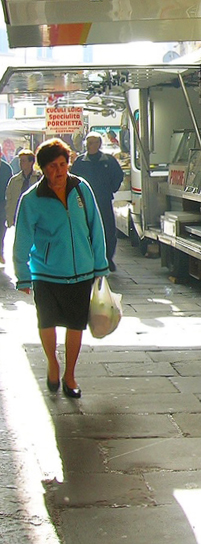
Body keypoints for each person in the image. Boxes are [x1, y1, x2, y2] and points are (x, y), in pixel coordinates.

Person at [13, 138, 109, 399]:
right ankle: (53, 363)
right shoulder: (32, 199)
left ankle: (70, 375)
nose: (59, 171)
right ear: (42, 168)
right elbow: (22, 240)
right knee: (46, 322)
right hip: (45, 273)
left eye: (63, 164)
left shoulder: (81, 189)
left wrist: (100, 266)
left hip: (80, 273)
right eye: (53, 166)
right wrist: (23, 276)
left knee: (76, 324)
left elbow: (95, 228)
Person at [70, 132, 124, 271]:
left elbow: (118, 175)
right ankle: (89, 259)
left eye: (93, 142)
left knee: (108, 229)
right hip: (84, 202)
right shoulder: (80, 161)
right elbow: (72, 178)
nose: (89, 146)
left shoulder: (108, 160)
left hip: (103, 200)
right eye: (88, 143)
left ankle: (108, 259)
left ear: (99, 144)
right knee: (86, 229)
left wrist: (111, 189)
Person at [5, 149, 41, 228]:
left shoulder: (39, 178)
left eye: (23, 161)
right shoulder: (14, 180)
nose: (21, 163)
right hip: (17, 216)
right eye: (20, 161)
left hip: (34, 216)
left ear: (31, 162)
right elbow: (9, 200)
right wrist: (9, 217)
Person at [0, 157, 12, 264]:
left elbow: (10, 187)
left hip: (2, 203)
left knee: (1, 229)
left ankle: (0, 252)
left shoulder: (6, 168)